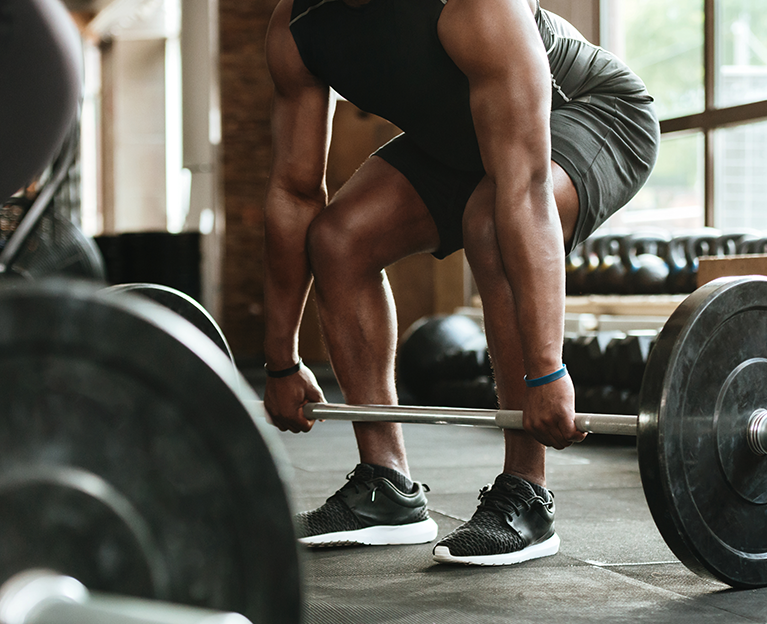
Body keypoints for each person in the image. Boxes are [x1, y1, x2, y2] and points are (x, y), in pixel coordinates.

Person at [262, 0, 659, 566]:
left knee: (490, 222)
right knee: (338, 239)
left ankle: (527, 491)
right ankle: (386, 487)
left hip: (593, 114)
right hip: (464, 137)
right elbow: (294, 192)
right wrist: (281, 362)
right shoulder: (296, 28)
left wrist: (547, 368)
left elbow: (522, 186)